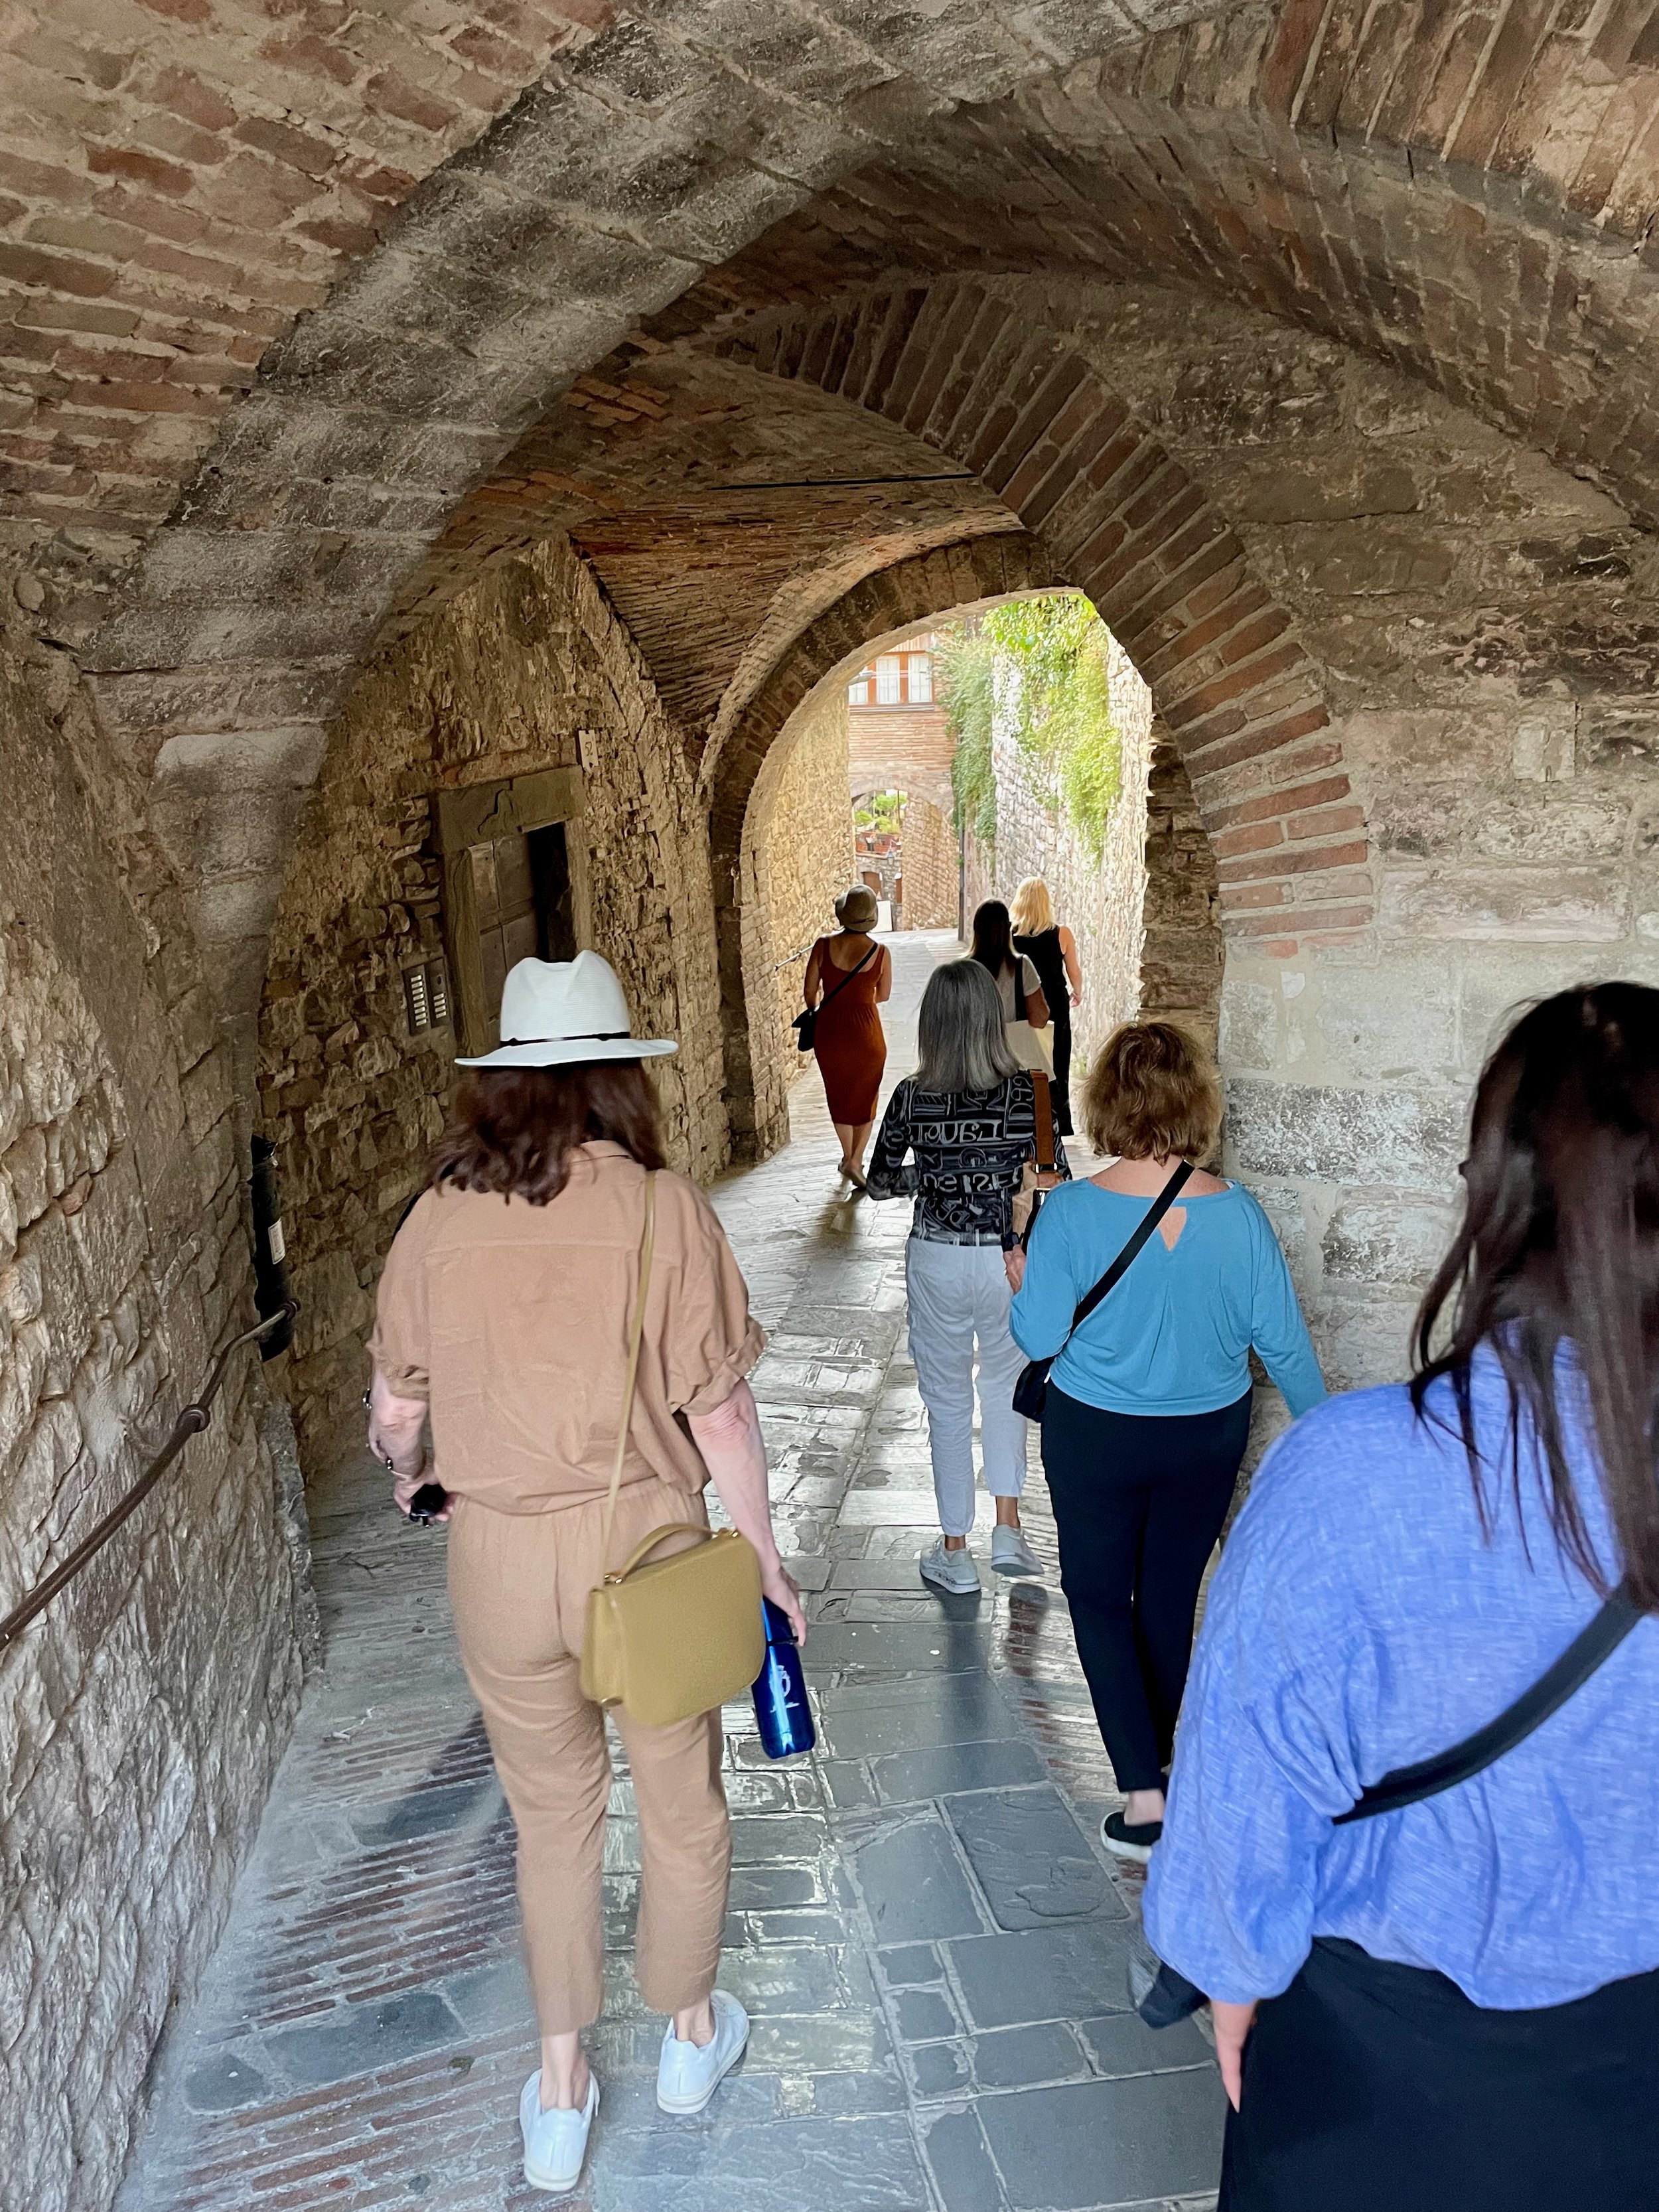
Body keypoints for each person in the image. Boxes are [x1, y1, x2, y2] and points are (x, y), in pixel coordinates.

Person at [1145, 985, 1659, 2211]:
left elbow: (1240, 1799)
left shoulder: (1349, 1479)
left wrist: (1230, 1975)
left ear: (1492, 1190)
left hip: (1386, 2090)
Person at [366, 950, 805, 2197]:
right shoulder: (663, 1208)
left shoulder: (437, 1214)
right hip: (646, 1550)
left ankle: (557, 2095)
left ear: (500, 1087)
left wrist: (414, 1474)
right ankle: (687, 2038)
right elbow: (719, 1414)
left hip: (498, 1555)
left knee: (550, 1816)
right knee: (680, 1800)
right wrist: (767, 1561)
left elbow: (397, 1406)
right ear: (619, 1071)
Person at [1009, 1019, 1323, 1861]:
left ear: (1106, 1101)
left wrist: (1021, 1262)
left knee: (1101, 1601)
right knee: (1170, 1597)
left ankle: (1144, 1796)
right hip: (1204, 1437)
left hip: (1096, 1438)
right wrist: (1327, 1439)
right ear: (1197, 1102)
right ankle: (1167, 1761)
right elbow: (1285, 1344)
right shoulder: (1242, 1214)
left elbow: (1038, 1338)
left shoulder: (1070, 1213)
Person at [867, 959, 1066, 1592]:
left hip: (937, 1255)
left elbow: (877, 1182)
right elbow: (1056, 1179)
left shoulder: (910, 1094)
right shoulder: (1027, 1091)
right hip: (1005, 1257)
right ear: (991, 1018)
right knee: (1006, 1386)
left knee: (947, 1402)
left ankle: (955, 1550)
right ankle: (1008, 1527)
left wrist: (927, 1178)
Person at [802, 884, 893, 1188]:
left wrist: (827, 1005)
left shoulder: (823, 945)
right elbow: (884, 994)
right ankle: (856, 1159)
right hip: (867, 1033)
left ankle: (847, 1156)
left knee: (839, 1095)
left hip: (831, 1032)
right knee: (867, 1097)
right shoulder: (880, 953)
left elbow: (809, 994)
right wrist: (861, 998)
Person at [1012, 877, 1082, 1134]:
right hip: (1054, 1004)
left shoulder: (1010, 936)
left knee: (1024, 1063)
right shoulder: (1061, 934)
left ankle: (1025, 1117)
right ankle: (1060, 1122)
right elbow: (1073, 970)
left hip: (1022, 1006)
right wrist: (1078, 991)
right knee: (1058, 1062)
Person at [970, 898, 1050, 1072]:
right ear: (1008, 929)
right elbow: (1040, 1018)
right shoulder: (1021, 967)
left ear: (976, 929)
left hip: (974, 1060)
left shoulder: (965, 970)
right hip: (1014, 1062)